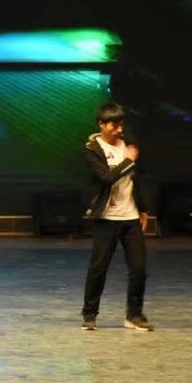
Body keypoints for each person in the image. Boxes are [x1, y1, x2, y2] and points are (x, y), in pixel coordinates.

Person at [80, 101, 153, 331]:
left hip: (130, 217)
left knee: (139, 268)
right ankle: (89, 314)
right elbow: (106, 178)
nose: (119, 129)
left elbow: (136, 180)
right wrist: (128, 160)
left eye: (121, 124)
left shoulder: (128, 145)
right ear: (102, 124)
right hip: (107, 217)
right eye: (114, 125)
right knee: (98, 268)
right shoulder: (93, 149)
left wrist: (143, 209)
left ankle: (134, 315)